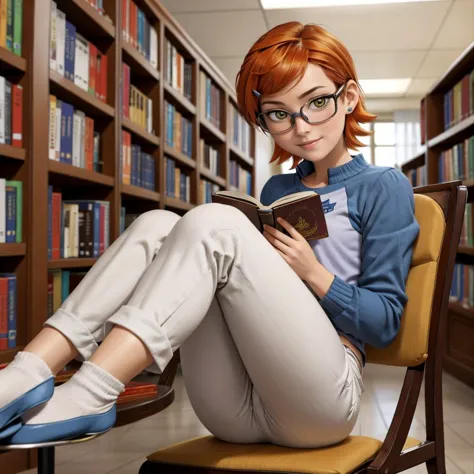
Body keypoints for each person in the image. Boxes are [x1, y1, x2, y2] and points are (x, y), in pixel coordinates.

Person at [0, 21, 419, 448]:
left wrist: (313, 272)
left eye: (316, 103)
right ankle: (30, 369)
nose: (301, 126)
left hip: (322, 404)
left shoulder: (382, 186)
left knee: (213, 223)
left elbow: (385, 323)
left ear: (348, 97)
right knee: (160, 225)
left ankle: (93, 392)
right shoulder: (278, 191)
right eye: (279, 113)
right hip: (234, 404)